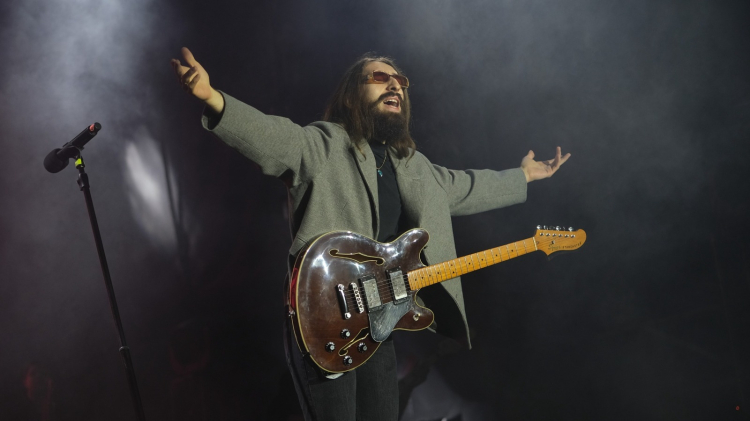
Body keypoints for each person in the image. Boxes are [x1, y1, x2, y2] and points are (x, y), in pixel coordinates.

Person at [171, 47, 570, 421]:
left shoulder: (414, 167)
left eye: (400, 81)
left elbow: (465, 186)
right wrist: (213, 98)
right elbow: (271, 137)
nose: (395, 84)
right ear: (350, 97)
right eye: (379, 77)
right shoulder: (325, 144)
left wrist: (522, 176)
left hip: (380, 325)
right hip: (323, 317)